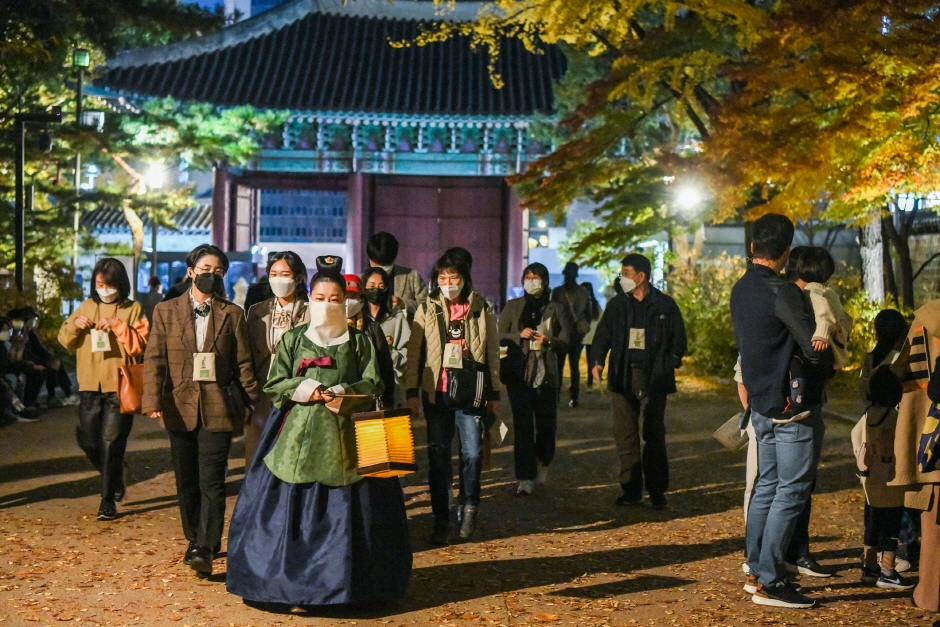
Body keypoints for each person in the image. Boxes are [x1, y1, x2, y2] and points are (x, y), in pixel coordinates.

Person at [226, 269, 412, 607]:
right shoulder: (294, 338)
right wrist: (305, 389)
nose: (327, 305)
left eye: (335, 299)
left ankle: (342, 586)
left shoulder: (359, 341)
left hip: (346, 439)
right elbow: (275, 382)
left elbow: (374, 383)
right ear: (310, 298)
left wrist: (344, 392)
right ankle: (284, 585)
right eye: (320, 298)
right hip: (295, 437)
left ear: (346, 301)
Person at [142, 244, 260, 578]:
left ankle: (205, 546)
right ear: (191, 271)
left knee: (212, 479)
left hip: (217, 405)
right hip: (179, 405)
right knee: (187, 480)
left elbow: (243, 363)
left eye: (218, 271)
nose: (212, 275)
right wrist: (151, 400)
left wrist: (255, 402)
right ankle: (194, 537)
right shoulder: (166, 311)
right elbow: (154, 358)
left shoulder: (232, 313)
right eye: (206, 269)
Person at [730, 213, 825, 609]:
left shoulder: (741, 288)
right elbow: (810, 345)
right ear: (787, 250)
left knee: (766, 486)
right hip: (790, 406)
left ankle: (756, 569)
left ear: (753, 247)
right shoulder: (782, 291)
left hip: (760, 403)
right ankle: (771, 579)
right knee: (792, 490)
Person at [405, 250, 502, 544]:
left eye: (454, 277)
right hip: (437, 394)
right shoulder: (427, 308)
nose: (448, 283)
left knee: (472, 453)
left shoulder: (481, 308)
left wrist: (495, 392)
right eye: (443, 278)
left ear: (465, 278)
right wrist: (412, 391)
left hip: (471, 394)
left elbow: (492, 353)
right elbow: (414, 352)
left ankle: (470, 506)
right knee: (438, 456)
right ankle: (441, 518)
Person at [590, 253, 687, 510]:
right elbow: (602, 336)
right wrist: (597, 360)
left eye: (626, 274)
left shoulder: (665, 305)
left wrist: (669, 363)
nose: (622, 278)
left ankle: (657, 490)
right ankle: (631, 489)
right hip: (623, 375)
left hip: (655, 378)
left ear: (641, 276)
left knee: (654, 434)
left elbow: (679, 340)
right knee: (625, 435)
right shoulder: (617, 306)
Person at [58, 258, 150, 520]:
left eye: (109, 285)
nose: (104, 289)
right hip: (89, 383)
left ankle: (107, 500)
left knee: (111, 441)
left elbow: (140, 344)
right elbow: (65, 340)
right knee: (87, 439)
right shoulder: (87, 306)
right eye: (100, 284)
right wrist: (75, 326)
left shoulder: (133, 308)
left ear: (120, 285)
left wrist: (119, 327)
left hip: (119, 385)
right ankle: (116, 475)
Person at [851, 308, 914, 590]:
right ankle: (888, 570)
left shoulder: (869, 360)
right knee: (891, 523)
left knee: (872, 520)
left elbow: (856, 438)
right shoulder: (899, 362)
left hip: (870, 477)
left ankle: (869, 567)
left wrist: (862, 466)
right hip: (891, 478)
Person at [498, 263, 570, 495]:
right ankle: (524, 477)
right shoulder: (513, 306)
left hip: (546, 373)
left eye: (536, 278)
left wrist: (549, 340)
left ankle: (542, 459)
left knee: (547, 425)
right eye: (527, 277)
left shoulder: (556, 308)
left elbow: (566, 340)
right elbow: (498, 335)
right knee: (523, 426)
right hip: (519, 373)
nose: (531, 282)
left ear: (545, 282)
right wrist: (518, 335)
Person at [888, 297, 940, 611]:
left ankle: (930, 594)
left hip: (930, 436)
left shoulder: (925, 319)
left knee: (933, 520)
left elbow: (904, 372)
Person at [244, 251, 309, 465]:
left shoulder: (310, 312)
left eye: (285, 274)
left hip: (295, 391)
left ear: (298, 278)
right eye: (273, 274)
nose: (278, 279)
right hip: (262, 390)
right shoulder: (257, 311)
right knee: (258, 449)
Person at [344, 272, 397, 410]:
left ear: (361, 299)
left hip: (365, 398)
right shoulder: (328, 327)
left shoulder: (372, 328)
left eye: (353, 297)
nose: (348, 302)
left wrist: (387, 401)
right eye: (345, 297)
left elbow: (385, 366)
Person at [8, 307, 78, 408]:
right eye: (31, 319)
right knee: (41, 371)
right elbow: (25, 355)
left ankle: (67, 394)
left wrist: (51, 359)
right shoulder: (16, 334)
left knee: (56, 363)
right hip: (27, 362)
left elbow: (40, 349)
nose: (33, 322)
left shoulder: (30, 334)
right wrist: (45, 363)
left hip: (33, 361)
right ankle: (31, 402)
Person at [362, 266, 411, 408]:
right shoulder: (359, 317)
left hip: (392, 384)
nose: (376, 290)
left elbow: (408, 351)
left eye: (381, 286)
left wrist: (389, 357)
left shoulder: (396, 317)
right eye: (371, 286)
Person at [551, 262, 589, 407]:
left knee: (559, 367)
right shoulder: (583, 292)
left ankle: (556, 396)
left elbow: (551, 314)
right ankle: (574, 397)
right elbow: (589, 313)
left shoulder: (558, 292)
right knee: (574, 367)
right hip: (576, 334)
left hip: (561, 334)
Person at [366, 231, 428, 319]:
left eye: (385, 264)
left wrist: (404, 304)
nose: (382, 268)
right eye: (378, 263)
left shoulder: (411, 276)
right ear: (370, 259)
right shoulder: (362, 280)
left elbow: (427, 306)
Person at [581, 281, 602, 388]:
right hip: (584, 336)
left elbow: (600, 320)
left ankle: (589, 382)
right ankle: (585, 383)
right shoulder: (593, 304)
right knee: (578, 361)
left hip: (589, 336)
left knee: (590, 360)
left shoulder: (593, 304)